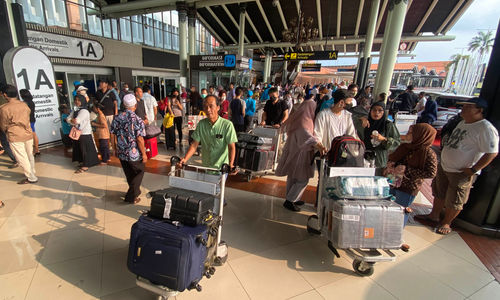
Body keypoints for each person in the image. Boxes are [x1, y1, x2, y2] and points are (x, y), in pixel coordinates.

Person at [416, 97, 498, 235]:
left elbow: (492, 153)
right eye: (463, 106)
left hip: (461, 171)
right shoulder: (463, 123)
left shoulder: (485, 128)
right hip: (446, 166)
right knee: (439, 192)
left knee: (455, 198)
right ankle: (434, 215)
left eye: (468, 106)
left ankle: (446, 222)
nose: (463, 108)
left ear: (480, 110)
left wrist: (473, 169)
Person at [388, 123, 438, 251]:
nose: (408, 134)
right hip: (393, 182)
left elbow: (431, 172)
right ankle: (384, 234)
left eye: (412, 132)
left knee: (401, 211)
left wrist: (407, 170)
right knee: (387, 209)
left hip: (408, 187)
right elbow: (393, 157)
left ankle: (396, 238)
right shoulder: (405, 147)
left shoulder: (428, 153)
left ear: (421, 135)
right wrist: (391, 165)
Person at [276, 96, 326, 212]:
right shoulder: (305, 122)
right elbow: (307, 138)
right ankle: (290, 200)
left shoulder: (298, 119)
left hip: (293, 153)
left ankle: (293, 197)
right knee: (303, 178)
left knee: (293, 177)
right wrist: (318, 144)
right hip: (301, 154)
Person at [179, 95, 237, 170]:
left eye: (211, 106)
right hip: (206, 167)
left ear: (218, 107)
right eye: (206, 107)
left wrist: (231, 164)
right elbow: (194, 145)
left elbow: (231, 147)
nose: (208, 110)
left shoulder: (227, 125)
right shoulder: (201, 124)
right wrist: (185, 159)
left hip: (221, 168)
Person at [110, 94, 148, 204]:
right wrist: (144, 154)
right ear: (135, 105)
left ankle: (134, 192)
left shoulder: (117, 118)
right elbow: (140, 139)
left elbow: (112, 134)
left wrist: (114, 148)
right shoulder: (137, 119)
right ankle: (131, 196)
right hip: (134, 153)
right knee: (139, 171)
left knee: (129, 173)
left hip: (121, 151)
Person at [0, 85, 37, 184]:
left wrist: (7, 131)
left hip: (15, 134)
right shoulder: (24, 105)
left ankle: (31, 177)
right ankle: (32, 172)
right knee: (29, 155)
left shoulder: (4, 108)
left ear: (5, 95)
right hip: (27, 132)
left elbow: (3, 124)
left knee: (21, 157)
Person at [358, 102, 401, 168]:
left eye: (380, 110)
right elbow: (351, 117)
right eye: (374, 110)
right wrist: (361, 118)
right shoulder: (365, 123)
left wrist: (384, 139)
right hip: (362, 159)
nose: (376, 112)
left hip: (379, 160)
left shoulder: (388, 125)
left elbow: (397, 142)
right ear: (370, 111)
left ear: (383, 112)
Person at [69, 97, 100, 173]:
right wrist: (71, 120)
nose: (76, 101)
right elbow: (68, 119)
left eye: (79, 100)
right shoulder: (76, 110)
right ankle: (84, 162)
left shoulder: (84, 111)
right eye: (75, 100)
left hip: (84, 133)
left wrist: (72, 120)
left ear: (82, 101)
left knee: (85, 149)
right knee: (80, 148)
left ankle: (85, 166)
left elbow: (76, 121)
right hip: (78, 132)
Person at [19, 89, 40, 156]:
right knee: (34, 134)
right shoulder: (31, 102)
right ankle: (37, 149)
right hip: (32, 119)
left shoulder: (24, 103)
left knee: (31, 135)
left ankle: (34, 150)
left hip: (27, 120)